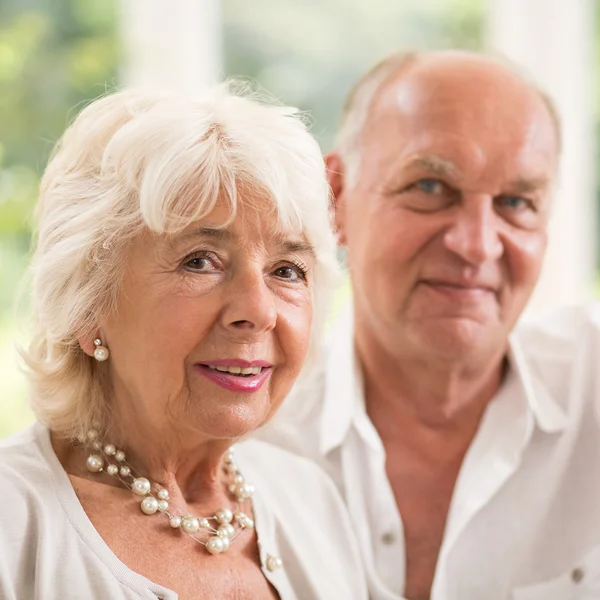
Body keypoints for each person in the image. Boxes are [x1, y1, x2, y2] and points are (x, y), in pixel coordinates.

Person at [0, 86, 369, 600]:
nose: (259, 311)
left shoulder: (311, 499)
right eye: (200, 260)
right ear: (88, 305)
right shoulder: (12, 526)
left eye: (287, 270)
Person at [259, 50, 600, 600]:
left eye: (516, 202)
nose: (476, 244)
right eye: (429, 188)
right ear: (336, 199)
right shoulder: (249, 432)